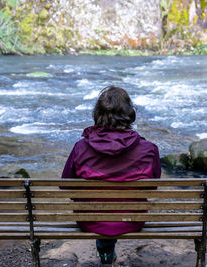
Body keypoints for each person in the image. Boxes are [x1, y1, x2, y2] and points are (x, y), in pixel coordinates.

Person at [61, 85, 161, 266]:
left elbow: (67, 186)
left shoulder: (80, 147)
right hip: (132, 220)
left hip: (90, 221)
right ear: (130, 113)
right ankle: (107, 253)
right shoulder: (148, 149)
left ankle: (106, 254)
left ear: (97, 113)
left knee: (101, 210)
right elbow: (152, 187)